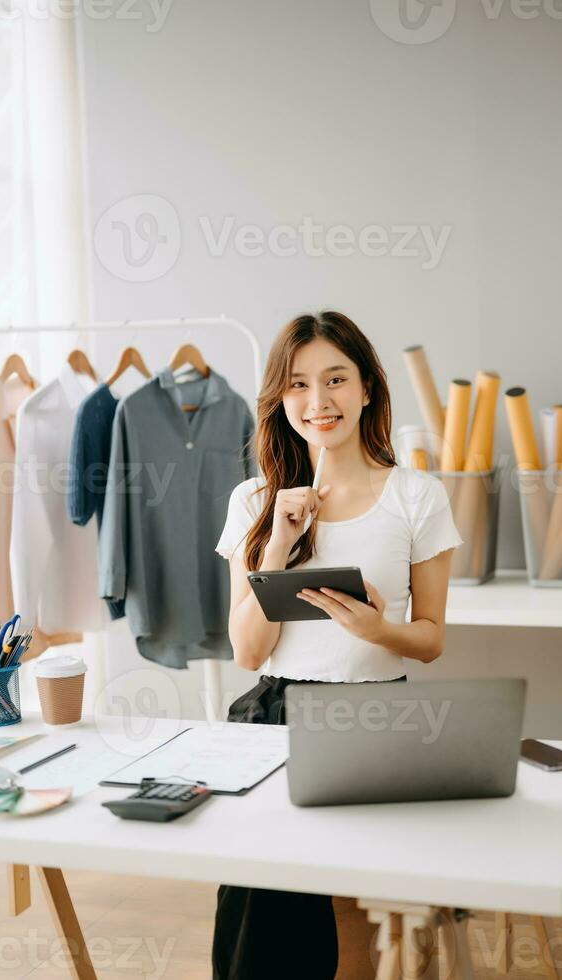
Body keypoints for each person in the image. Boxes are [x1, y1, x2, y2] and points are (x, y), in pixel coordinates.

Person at [212, 310, 463, 980]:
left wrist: (375, 629)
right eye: (297, 384)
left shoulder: (415, 495)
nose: (317, 401)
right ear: (279, 398)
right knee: (262, 886)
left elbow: (430, 640)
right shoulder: (253, 501)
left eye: (335, 380)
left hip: (374, 719)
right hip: (277, 714)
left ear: (367, 390)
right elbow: (247, 652)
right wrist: (276, 546)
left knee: (322, 883)